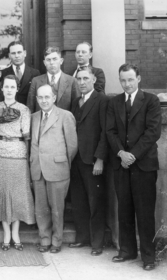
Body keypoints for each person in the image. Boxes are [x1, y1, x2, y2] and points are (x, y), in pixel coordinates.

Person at [106, 63, 161, 271]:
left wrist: (132, 155)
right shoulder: (115, 102)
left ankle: (148, 257)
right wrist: (121, 153)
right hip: (122, 164)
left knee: (145, 212)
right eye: (123, 80)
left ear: (138, 78)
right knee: (125, 209)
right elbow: (110, 131)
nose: (126, 84)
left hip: (144, 166)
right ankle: (127, 251)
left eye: (130, 79)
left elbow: (152, 132)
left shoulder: (151, 101)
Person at [30, 84, 77, 254]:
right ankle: (45, 239)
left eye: (47, 97)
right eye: (40, 97)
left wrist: (62, 163)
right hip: (38, 169)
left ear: (54, 98)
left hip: (57, 169)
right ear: (36, 99)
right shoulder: (33, 117)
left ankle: (57, 241)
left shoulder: (65, 116)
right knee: (40, 208)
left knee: (57, 208)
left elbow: (72, 146)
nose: (43, 100)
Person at [0, 75, 35, 251]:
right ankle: (6, 233)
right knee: (1, 191)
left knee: (17, 194)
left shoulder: (24, 110)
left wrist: (28, 156)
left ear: (17, 89)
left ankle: (15, 232)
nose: (9, 90)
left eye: (12, 87)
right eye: (6, 87)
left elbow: (27, 136)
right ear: (2, 89)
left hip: (18, 153)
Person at [69, 66, 108, 256]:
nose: (82, 82)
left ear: (93, 80)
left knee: (95, 202)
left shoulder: (102, 100)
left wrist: (100, 159)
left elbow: (105, 132)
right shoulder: (76, 102)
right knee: (79, 201)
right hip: (76, 160)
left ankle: (97, 242)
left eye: (86, 78)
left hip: (93, 160)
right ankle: (82, 237)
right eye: (79, 79)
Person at [27, 46, 79, 113]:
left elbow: (76, 109)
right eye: (48, 60)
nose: (51, 62)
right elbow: (30, 107)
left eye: (55, 59)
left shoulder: (72, 81)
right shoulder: (36, 81)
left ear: (61, 61)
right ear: (44, 63)